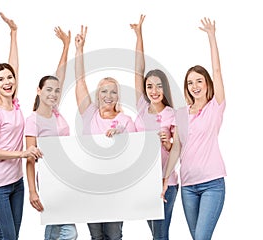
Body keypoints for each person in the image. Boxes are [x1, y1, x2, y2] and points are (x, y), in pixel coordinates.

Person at [162, 17, 226, 240]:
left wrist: (211, 36)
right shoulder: (181, 113)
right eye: (190, 82)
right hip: (188, 186)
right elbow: (177, 149)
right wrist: (165, 179)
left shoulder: (214, 107)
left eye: (199, 81)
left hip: (212, 184)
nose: (195, 86)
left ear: (207, 83)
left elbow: (217, 71)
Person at [0, 12, 42, 240]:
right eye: (1, 80)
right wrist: (23, 153)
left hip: (17, 184)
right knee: (9, 238)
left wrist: (14, 33)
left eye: (10, 78)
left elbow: (13, 65)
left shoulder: (15, 104)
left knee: (13, 236)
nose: (7, 82)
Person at [75, 25, 136, 240]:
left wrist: (123, 136)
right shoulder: (89, 114)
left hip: (116, 188)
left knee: (113, 235)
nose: (108, 95)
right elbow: (80, 81)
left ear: (118, 96)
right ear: (97, 94)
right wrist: (80, 50)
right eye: (103, 91)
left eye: (113, 92)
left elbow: (136, 152)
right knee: (95, 237)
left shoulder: (126, 120)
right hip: (92, 185)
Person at [24, 26, 78, 240]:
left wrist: (66, 46)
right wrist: (32, 191)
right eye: (48, 90)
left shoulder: (56, 113)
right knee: (68, 231)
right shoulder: (32, 120)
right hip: (48, 178)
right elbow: (29, 158)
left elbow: (60, 76)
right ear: (39, 91)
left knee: (56, 227)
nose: (53, 93)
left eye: (56, 91)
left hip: (66, 175)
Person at [130, 15, 178, 240]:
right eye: (149, 86)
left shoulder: (172, 114)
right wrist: (139, 36)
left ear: (164, 88)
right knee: (157, 234)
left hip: (166, 182)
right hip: (144, 183)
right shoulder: (142, 107)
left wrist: (166, 142)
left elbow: (176, 149)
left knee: (160, 234)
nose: (153, 90)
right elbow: (138, 71)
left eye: (158, 86)